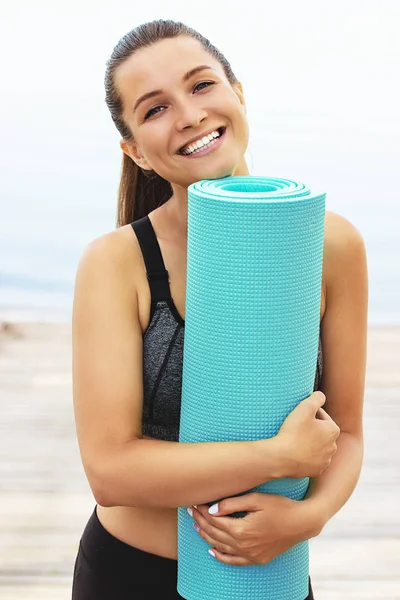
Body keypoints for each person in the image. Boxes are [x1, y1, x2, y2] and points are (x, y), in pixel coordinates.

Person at [71, 19, 367, 600]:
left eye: (202, 85)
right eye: (154, 110)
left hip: (272, 570)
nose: (188, 115)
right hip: (131, 576)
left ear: (238, 94)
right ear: (135, 150)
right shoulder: (117, 264)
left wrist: (309, 519)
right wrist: (277, 457)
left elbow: (348, 432)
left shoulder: (332, 246)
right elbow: (110, 471)